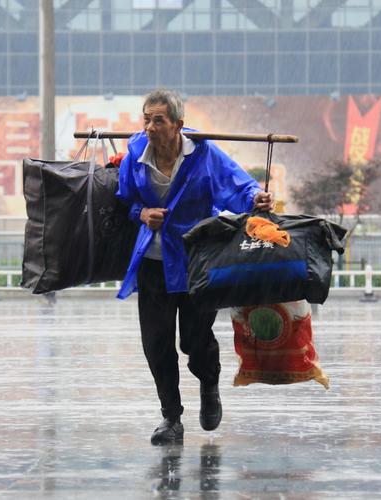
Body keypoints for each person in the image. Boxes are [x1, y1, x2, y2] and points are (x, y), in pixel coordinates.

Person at [116, 89, 273, 445]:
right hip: (154, 263)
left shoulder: (202, 155)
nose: (150, 128)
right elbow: (125, 201)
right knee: (156, 343)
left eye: (159, 120)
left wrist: (255, 198)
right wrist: (142, 213)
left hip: (196, 264)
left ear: (178, 126)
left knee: (194, 340)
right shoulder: (135, 156)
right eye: (146, 120)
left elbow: (238, 185)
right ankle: (171, 417)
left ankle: (209, 385)